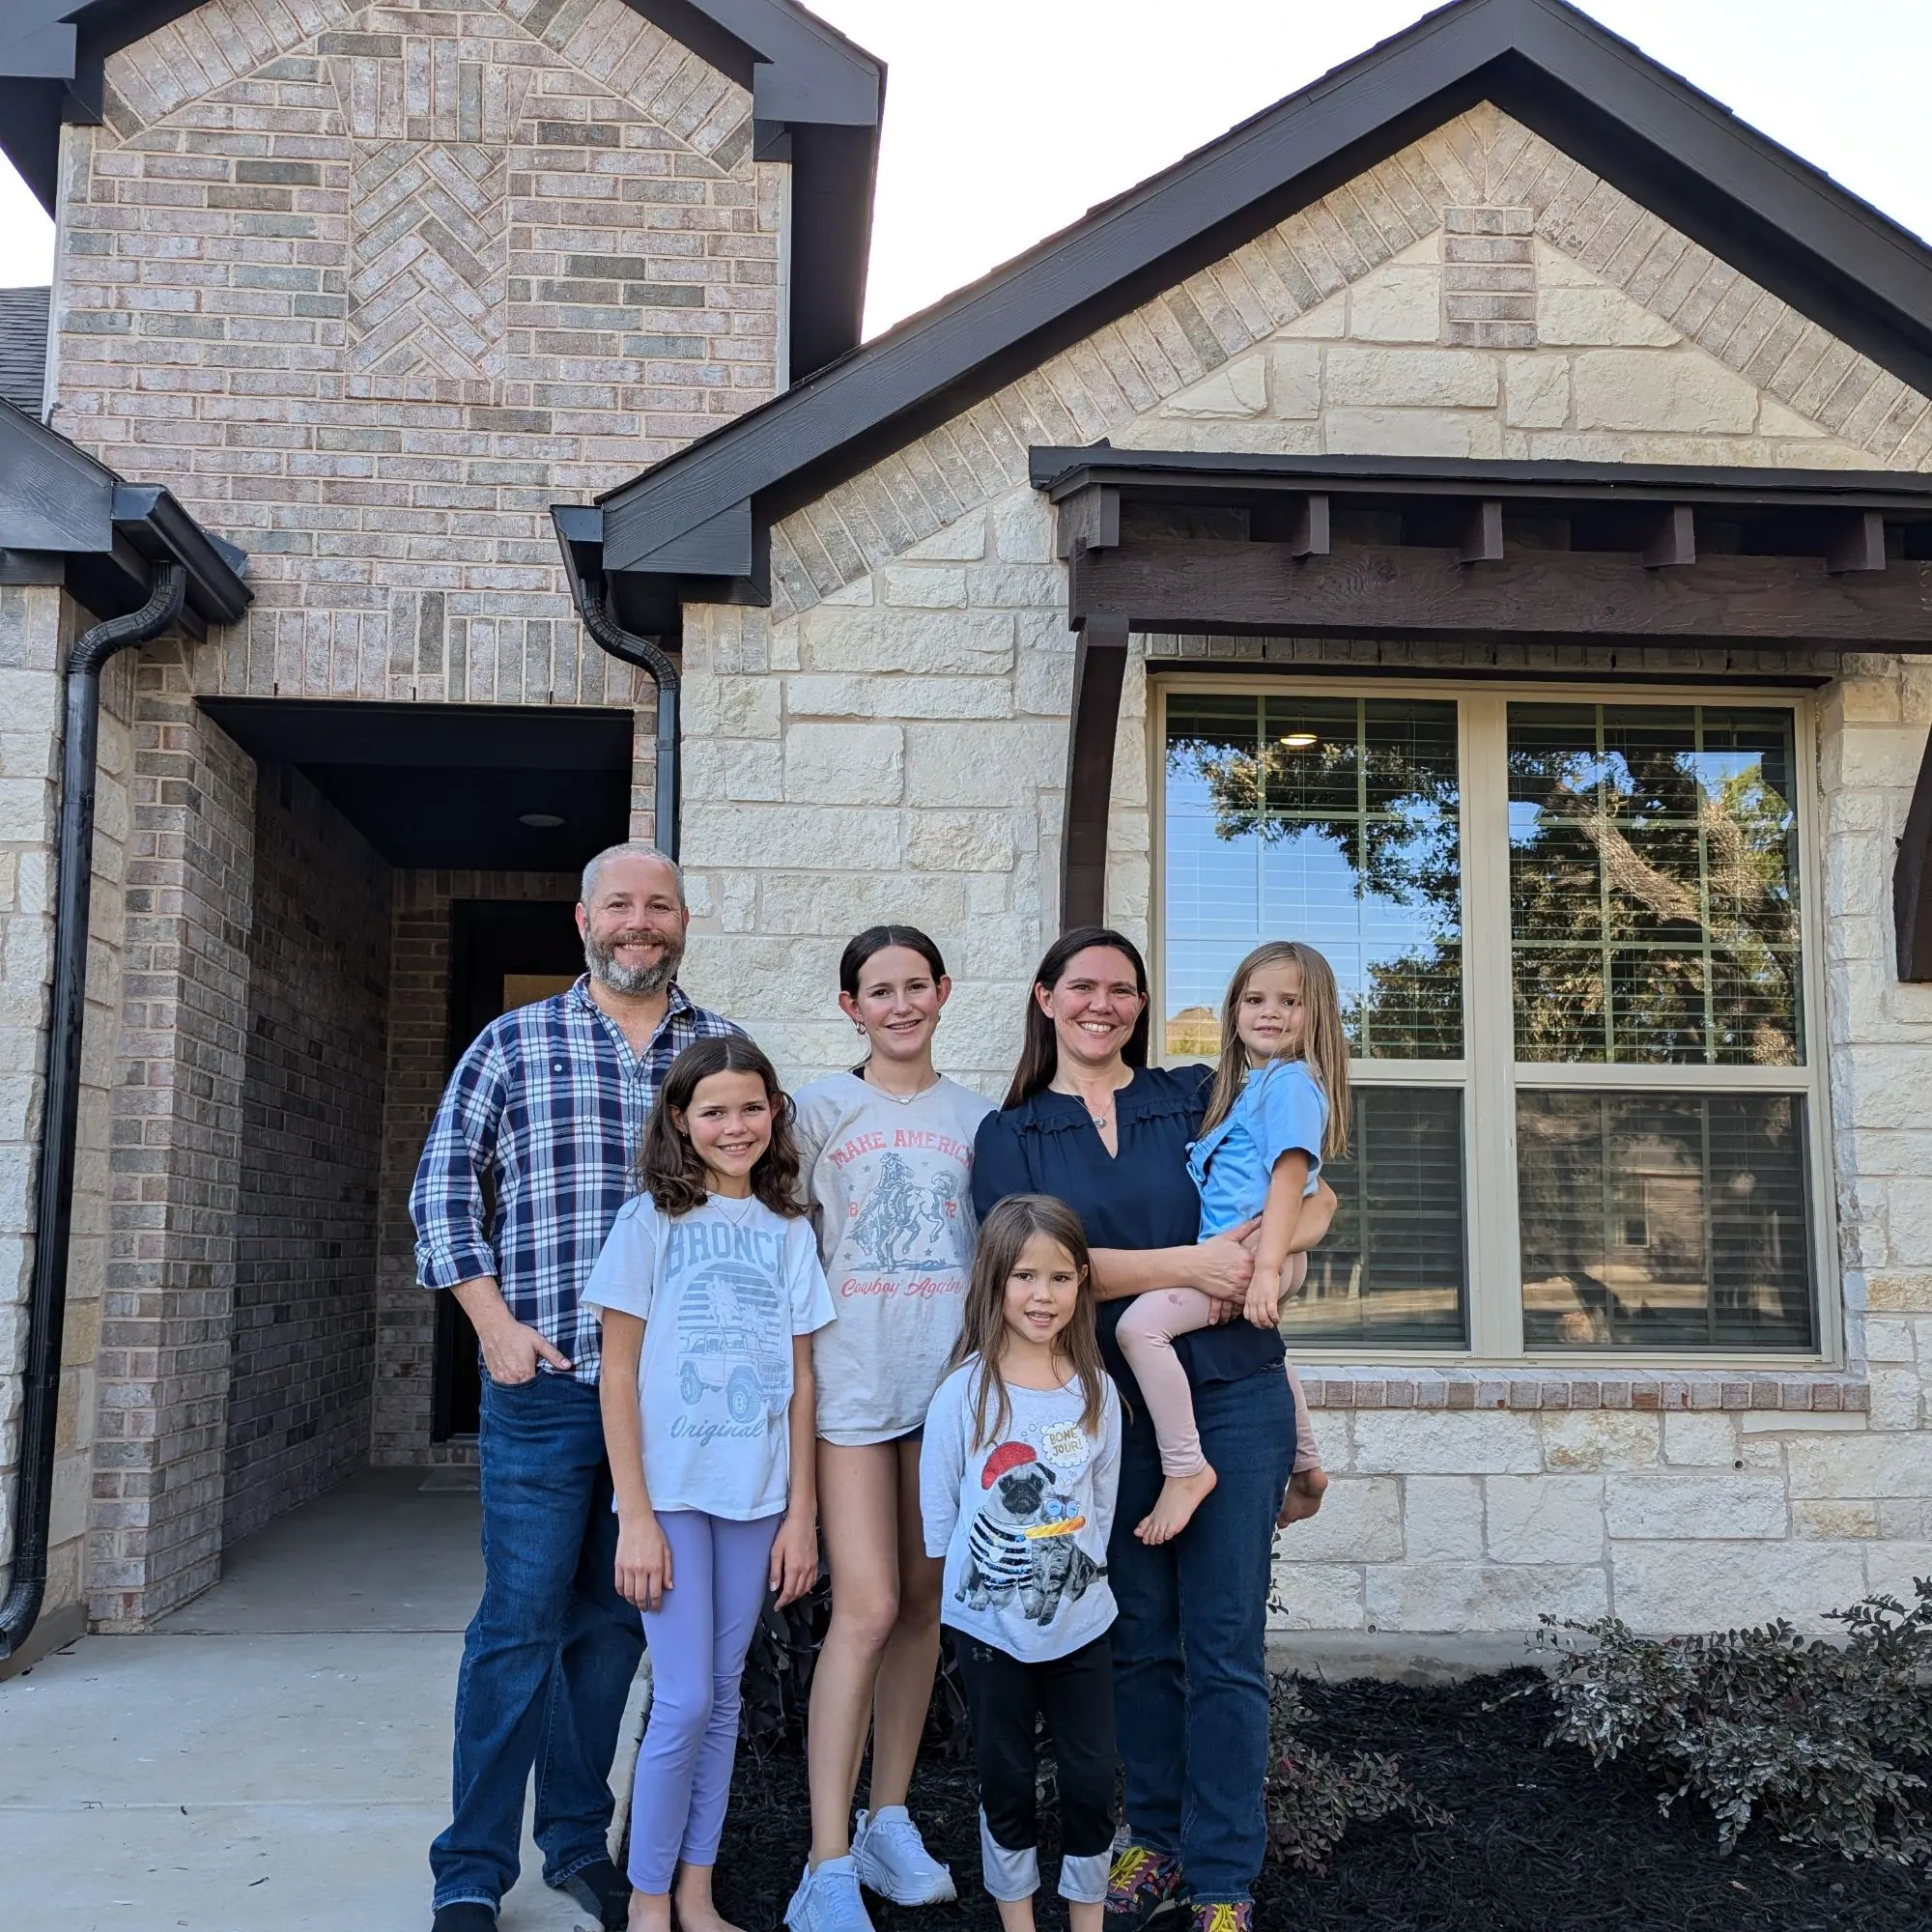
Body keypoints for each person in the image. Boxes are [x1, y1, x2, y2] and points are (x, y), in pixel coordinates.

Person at [971, 927, 1336, 1932]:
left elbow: (1315, 1190)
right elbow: (1030, 1267)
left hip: (1231, 1399)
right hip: (1100, 1418)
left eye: (1122, 987)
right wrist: (1194, 1261)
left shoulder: (1190, 1091)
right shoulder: (1012, 1133)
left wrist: (1266, 1252)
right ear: (1044, 997)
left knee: (1222, 1644)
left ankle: (1221, 1879)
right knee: (1135, 1644)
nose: (1103, 1002)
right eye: (1081, 985)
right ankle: (1154, 1841)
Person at [411, 843, 739, 1932]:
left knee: (611, 1629)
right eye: (620, 905)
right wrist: (491, 1326)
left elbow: (765, 1210)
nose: (639, 922)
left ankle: (573, 1842)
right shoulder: (512, 1041)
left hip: (671, 1407)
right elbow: (444, 1190)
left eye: (659, 905)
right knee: (517, 1621)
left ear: (684, 920)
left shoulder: (720, 1052)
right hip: (550, 1384)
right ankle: (469, 1867)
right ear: (582, 917)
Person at [584, 1036, 834, 1932]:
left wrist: (802, 1514)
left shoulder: (788, 1231)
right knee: (685, 1695)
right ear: (681, 1122)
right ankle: (648, 1897)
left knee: (723, 1694)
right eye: (714, 1110)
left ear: (774, 1114)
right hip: (672, 1498)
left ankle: (697, 1890)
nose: (735, 1126)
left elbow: (804, 1382)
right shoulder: (649, 1223)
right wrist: (635, 1518)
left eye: (751, 1107)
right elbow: (617, 1375)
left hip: (758, 1497)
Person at [785, 928, 994, 1932]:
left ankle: (886, 1817)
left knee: (920, 1606)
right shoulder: (818, 1111)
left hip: (947, 1390)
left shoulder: (976, 1118)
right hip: (853, 1391)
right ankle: (824, 1862)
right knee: (863, 1608)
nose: (900, 1002)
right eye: (880, 989)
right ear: (849, 1005)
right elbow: (786, 1250)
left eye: (916, 984)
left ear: (943, 992)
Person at [919, 1195, 1122, 1932]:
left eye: (1061, 1278)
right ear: (994, 1281)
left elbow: (1099, 1505)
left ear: (1082, 1283)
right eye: (1026, 1277)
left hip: (1081, 1630)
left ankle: (1087, 1918)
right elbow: (941, 1519)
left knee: (1092, 1782)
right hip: (990, 1633)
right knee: (1004, 1782)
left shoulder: (1096, 1395)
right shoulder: (962, 1397)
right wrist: (981, 1601)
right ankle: (1018, 1922)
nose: (1043, 1295)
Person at [1116, 941, 1348, 1545]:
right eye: (1255, 999)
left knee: (1139, 1329)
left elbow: (1293, 1174)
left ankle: (1186, 1467)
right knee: (1261, 1345)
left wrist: (1262, 1268)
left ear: (1316, 1013)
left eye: (1290, 1001)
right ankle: (1307, 1464)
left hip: (1260, 1252)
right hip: (1256, 1252)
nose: (1270, 1012)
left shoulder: (1291, 1082)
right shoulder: (1253, 1085)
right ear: (1234, 1008)